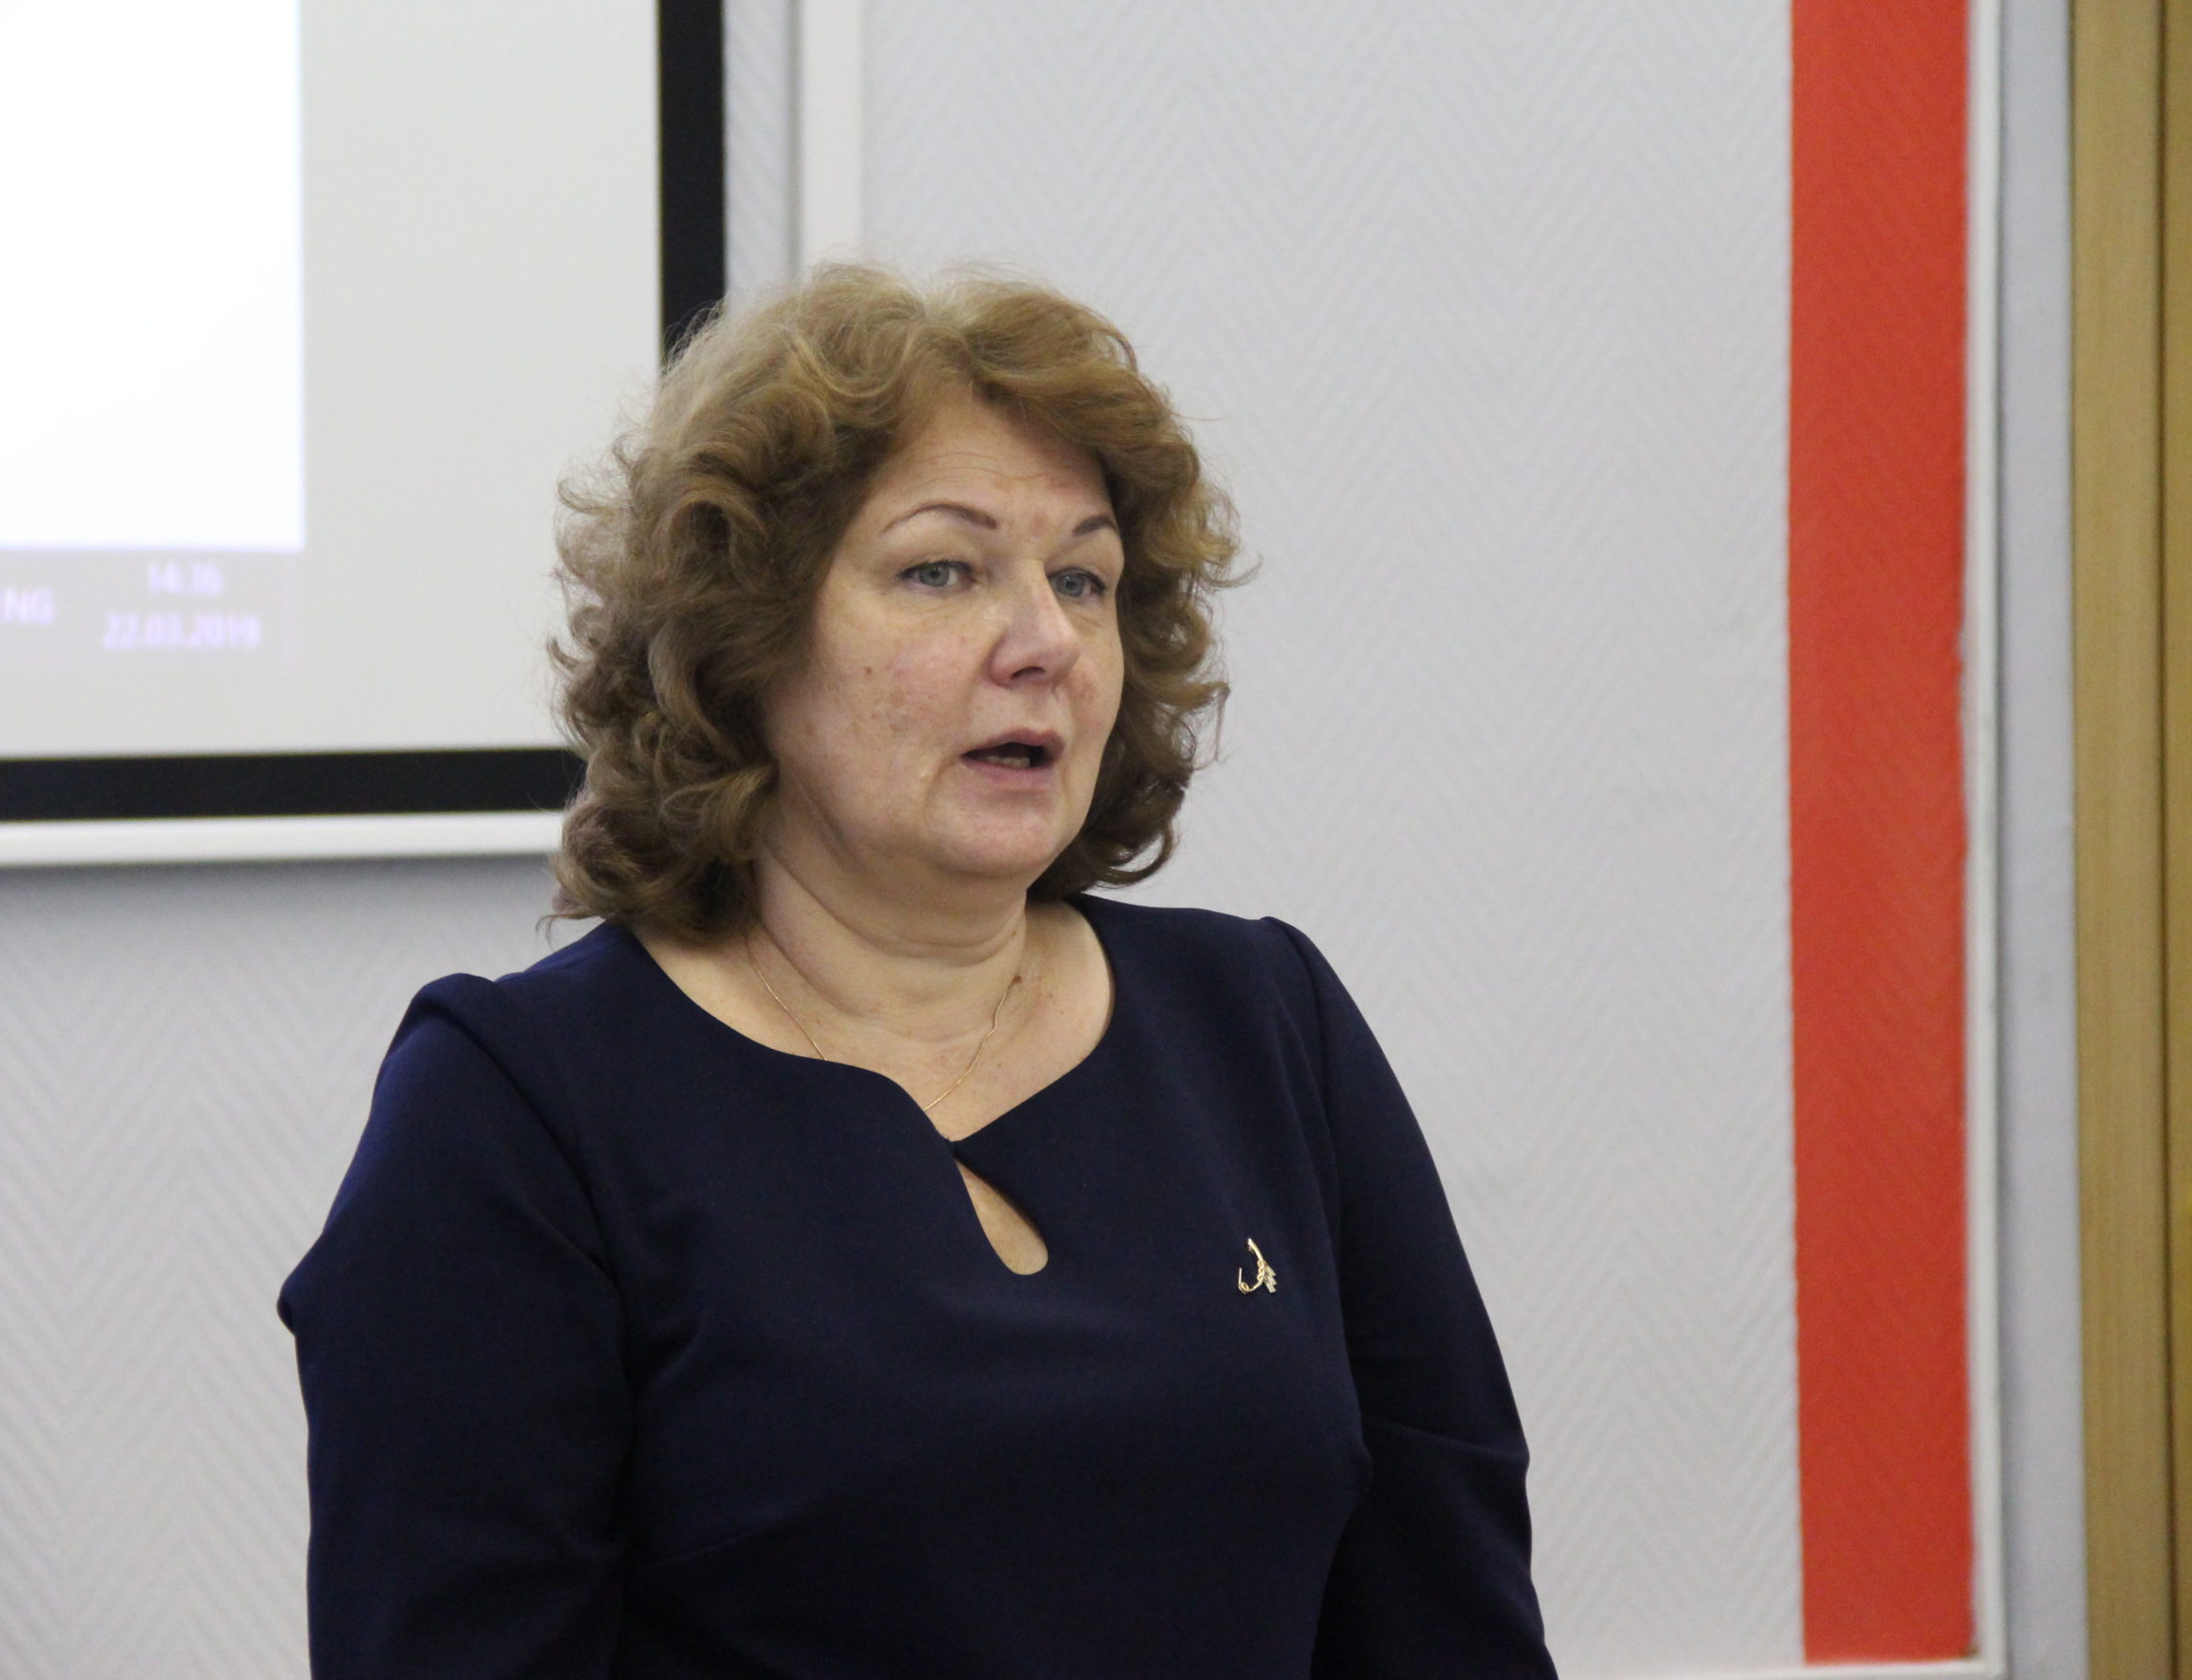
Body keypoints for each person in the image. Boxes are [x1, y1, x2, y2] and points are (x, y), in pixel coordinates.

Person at [278, 265, 1555, 1679]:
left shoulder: (1265, 1025)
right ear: (745, 639)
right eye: (942, 571)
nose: (1046, 643)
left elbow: (1452, 1621)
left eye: (1084, 579)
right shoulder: (518, 1113)